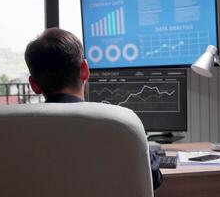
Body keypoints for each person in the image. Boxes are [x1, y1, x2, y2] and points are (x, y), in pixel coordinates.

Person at [24, 27, 163, 189]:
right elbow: (154, 179)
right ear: (84, 70)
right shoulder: (118, 124)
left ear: (34, 85)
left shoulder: (19, 134)